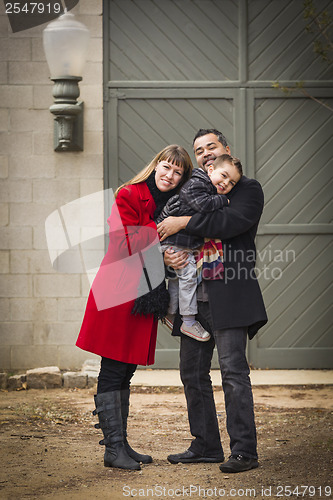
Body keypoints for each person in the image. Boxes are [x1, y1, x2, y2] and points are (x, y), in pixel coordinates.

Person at [157, 129, 268, 473]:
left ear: (225, 150)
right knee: (192, 373)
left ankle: (245, 451)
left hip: (229, 292)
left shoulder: (245, 188)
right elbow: (163, 231)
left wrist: (181, 221)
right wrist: (164, 254)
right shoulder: (193, 186)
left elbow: (229, 221)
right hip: (193, 298)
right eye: (199, 150)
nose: (205, 153)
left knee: (234, 373)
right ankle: (205, 445)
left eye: (211, 147)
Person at [76, 145, 193, 471]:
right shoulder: (130, 193)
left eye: (178, 172)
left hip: (142, 294)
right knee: (114, 368)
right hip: (119, 292)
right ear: (155, 165)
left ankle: (120, 443)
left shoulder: (172, 205)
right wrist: (163, 250)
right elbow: (122, 238)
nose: (170, 175)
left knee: (125, 370)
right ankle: (113, 449)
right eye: (166, 167)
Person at [157, 154, 243, 342]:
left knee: (176, 281)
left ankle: (170, 313)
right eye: (224, 175)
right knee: (189, 279)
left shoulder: (206, 186)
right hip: (175, 241)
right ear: (211, 170)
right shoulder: (197, 183)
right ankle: (188, 321)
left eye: (232, 183)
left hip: (177, 242)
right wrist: (223, 201)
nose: (226, 183)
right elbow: (202, 205)